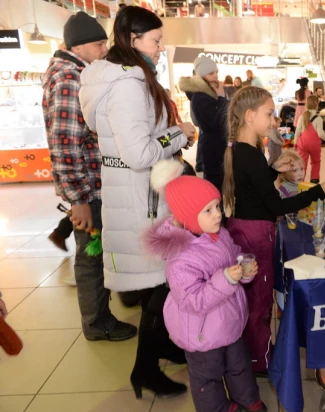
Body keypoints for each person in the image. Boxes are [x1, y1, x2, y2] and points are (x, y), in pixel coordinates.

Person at [79, 5, 196, 399]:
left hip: (138, 197)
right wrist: (178, 134)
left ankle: (159, 347)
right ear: (134, 40)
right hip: (139, 200)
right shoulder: (128, 84)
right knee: (160, 285)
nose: (161, 48)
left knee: (157, 286)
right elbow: (139, 153)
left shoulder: (126, 78)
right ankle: (145, 368)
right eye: (156, 40)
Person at [222, 86, 325, 374]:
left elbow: (254, 188)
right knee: (259, 301)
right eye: (269, 114)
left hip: (245, 228)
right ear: (250, 116)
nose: (274, 120)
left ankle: (256, 351)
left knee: (254, 299)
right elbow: (276, 206)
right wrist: (321, 189)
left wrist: (274, 170)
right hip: (256, 234)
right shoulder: (250, 154)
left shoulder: (243, 150)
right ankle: (260, 360)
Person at [42, 11, 137, 340]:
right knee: (92, 256)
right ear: (80, 47)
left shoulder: (75, 73)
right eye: (99, 45)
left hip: (95, 186)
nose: (103, 51)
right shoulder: (71, 78)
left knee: (100, 251)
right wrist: (79, 200)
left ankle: (109, 308)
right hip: (89, 190)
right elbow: (65, 145)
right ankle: (98, 323)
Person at [144, 159, 267, 412]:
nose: (218, 214)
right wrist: (228, 278)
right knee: (207, 377)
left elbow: (232, 255)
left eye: (217, 206)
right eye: (208, 210)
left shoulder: (219, 233)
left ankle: (247, 399)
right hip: (201, 333)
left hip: (229, 322)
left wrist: (242, 269)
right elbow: (193, 300)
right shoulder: (180, 258)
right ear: (188, 217)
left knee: (239, 365)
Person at [179, 55, 228, 194]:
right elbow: (218, 121)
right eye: (211, 73)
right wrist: (221, 98)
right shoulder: (201, 97)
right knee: (215, 189)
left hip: (215, 147)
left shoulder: (206, 95)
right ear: (202, 75)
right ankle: (218, 215)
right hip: (213, 149)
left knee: (219, 187)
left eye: (216, 72)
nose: (215, 76)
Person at [295, 95, 325, 183]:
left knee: (302, 164)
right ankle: (314, 181)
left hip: (302, 144)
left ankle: (300, 181)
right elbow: (321, 134)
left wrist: (295, 143)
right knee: (316, 162)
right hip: (314, 144)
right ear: (316, 103)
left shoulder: (302, 117)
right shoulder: (318, 118)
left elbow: (297, 132)